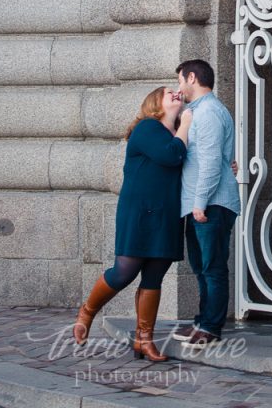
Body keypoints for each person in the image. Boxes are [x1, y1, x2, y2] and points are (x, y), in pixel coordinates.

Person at [72, 86, 192, 362]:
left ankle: (144, 339)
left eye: (177, 91)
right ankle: (87, 311)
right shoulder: (148, 128)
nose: (176, 93)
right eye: (168, 92)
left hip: (167, 214)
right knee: (124, 272)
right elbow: (171, 155)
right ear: (155, 103)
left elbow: (189, 163)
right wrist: (185, 124)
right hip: (140, 213)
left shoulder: (178, 135)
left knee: (154, 276)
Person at [171, 59, 241, 349]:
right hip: (199, 203)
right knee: (201, 267)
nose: (179, 88)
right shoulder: (196, 112)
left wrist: (200, 203)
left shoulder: (209, 111)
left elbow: (212, 162)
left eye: (180, 81)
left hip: (210, 203)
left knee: (212, 268)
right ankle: (202, 321)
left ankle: (211, 328)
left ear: (191, 78)